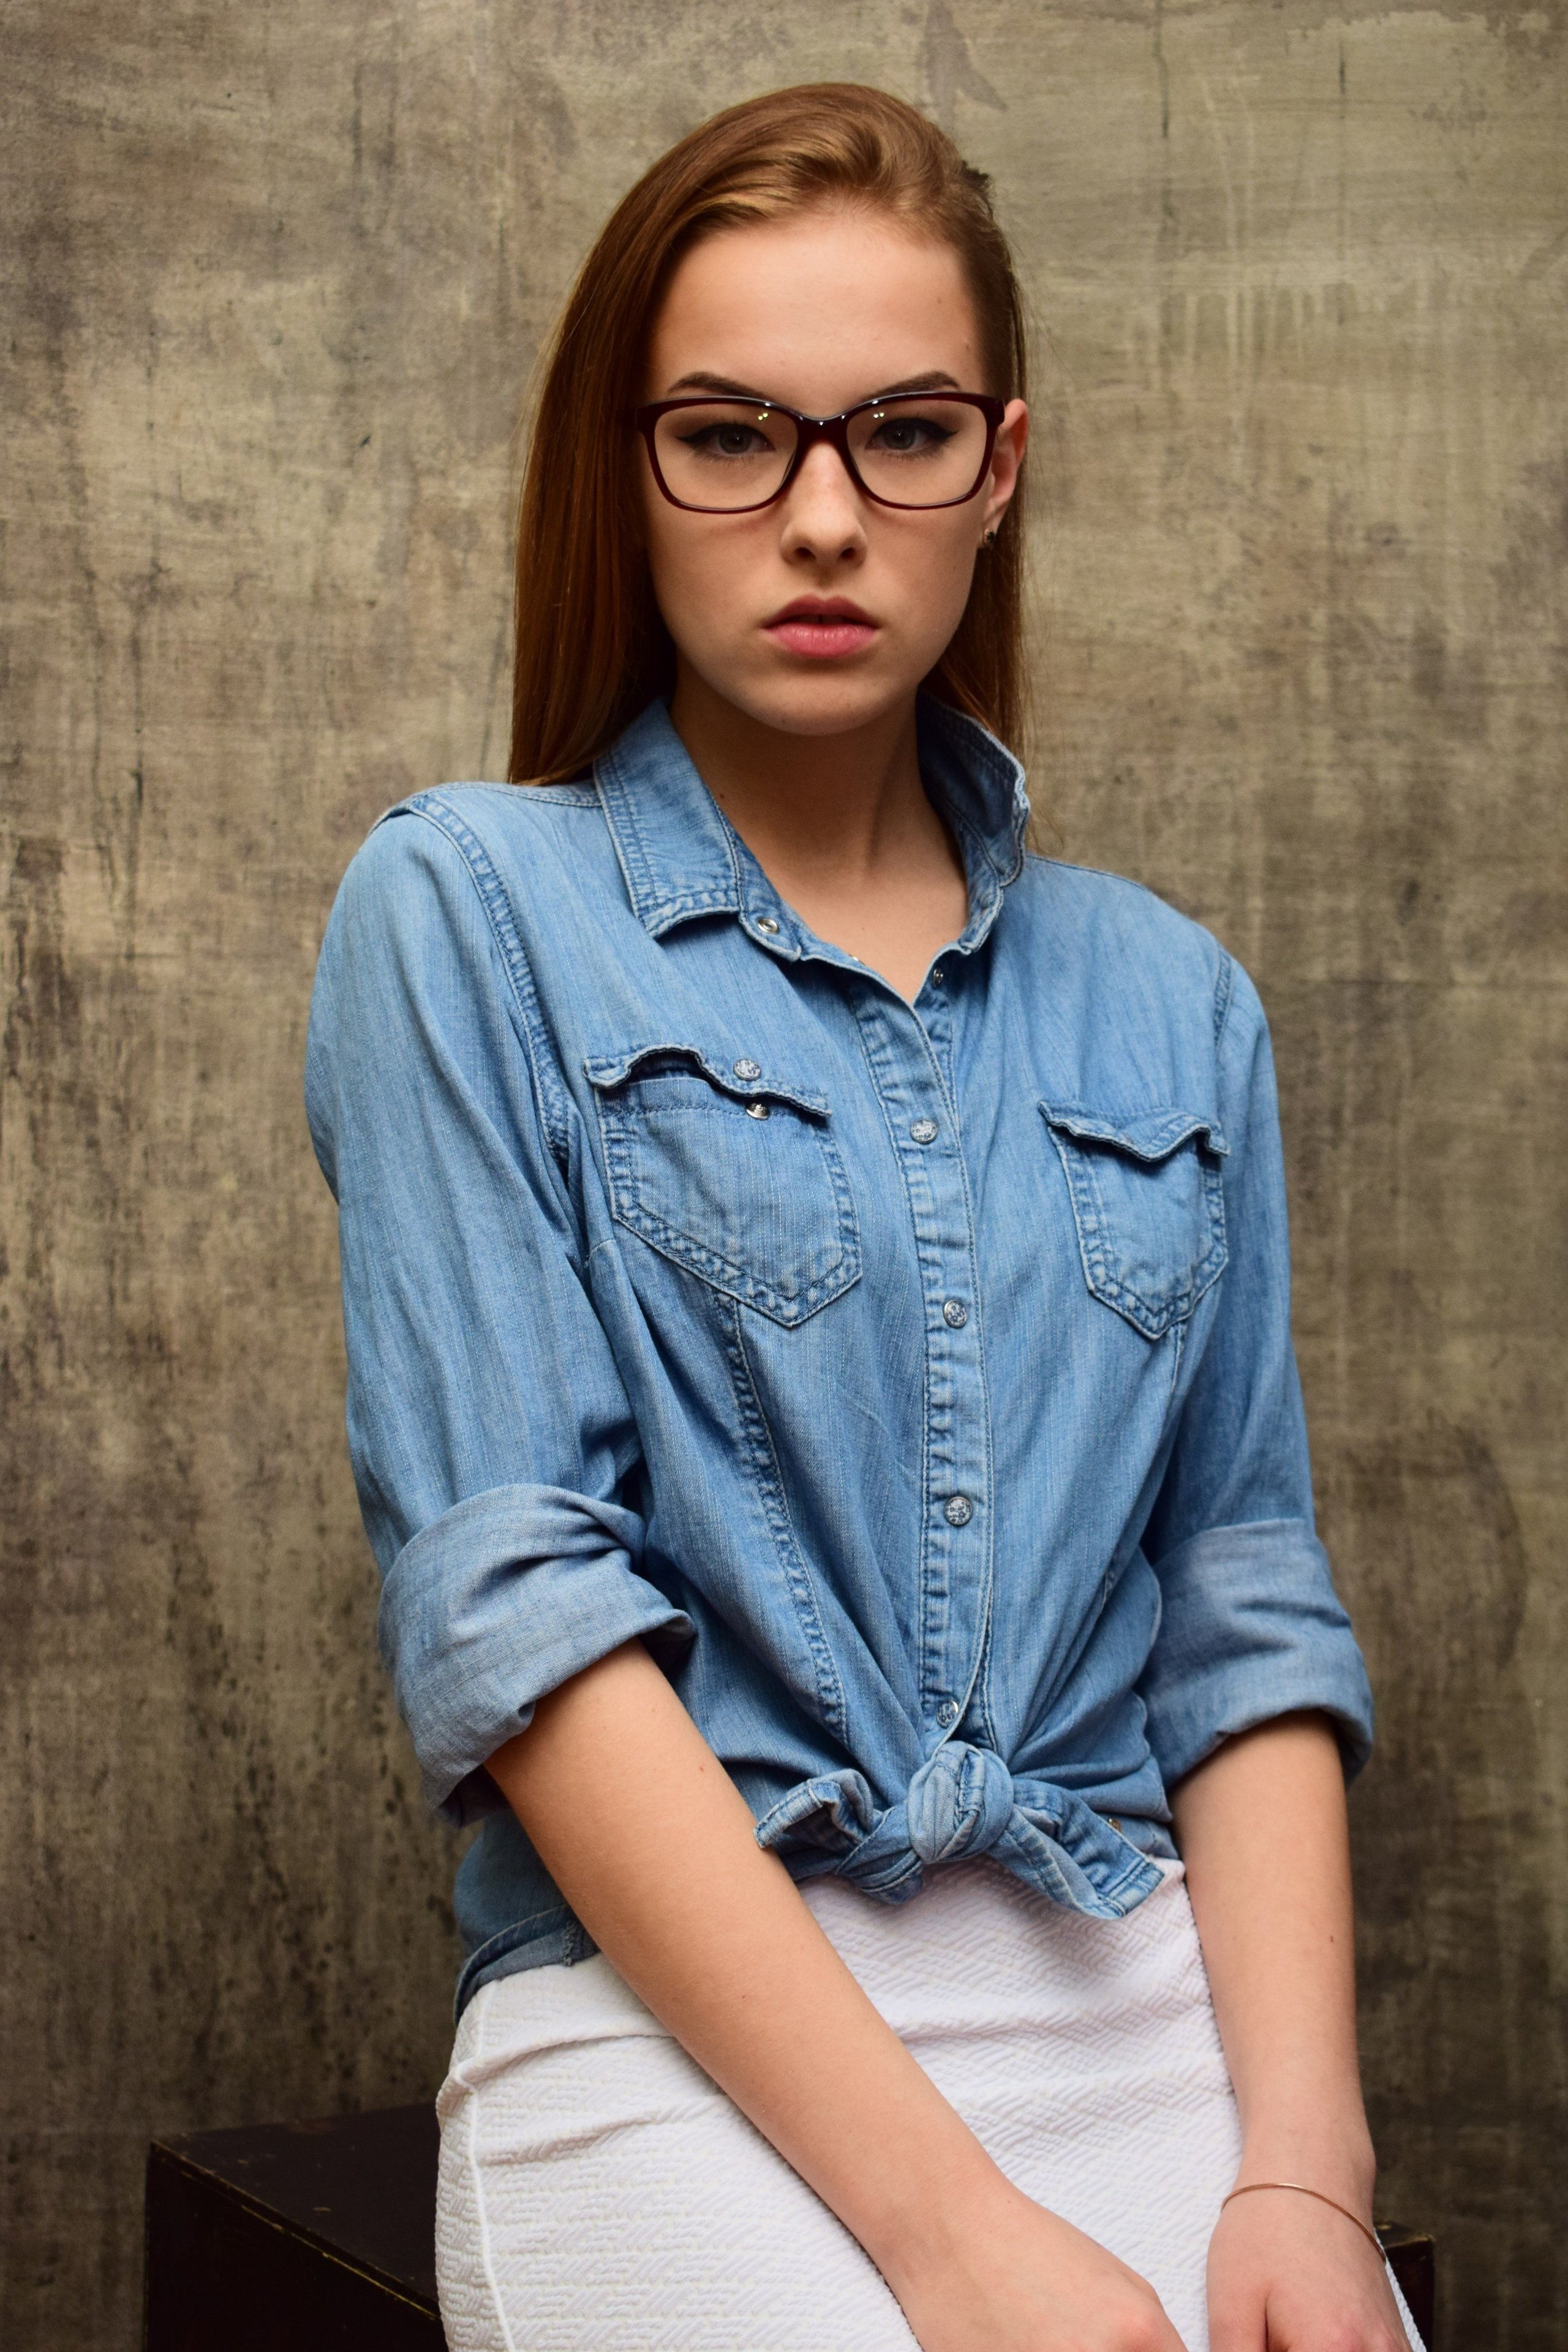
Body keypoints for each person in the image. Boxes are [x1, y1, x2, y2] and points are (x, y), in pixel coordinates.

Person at [306, 83, 1423, 2352]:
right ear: (627, 468)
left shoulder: (1174, 1000)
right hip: (671, 2036)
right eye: (730, 434)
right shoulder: (467, 912)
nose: (822, 517)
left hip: (1144, 1995)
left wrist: (1307, 2172)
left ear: (999, 466)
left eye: (902, 432)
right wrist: (955, 2240)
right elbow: (516, 1614)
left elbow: (1241, 1604)